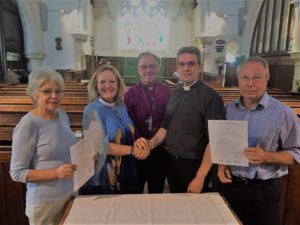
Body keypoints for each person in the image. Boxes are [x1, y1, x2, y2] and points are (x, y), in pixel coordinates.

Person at [217, 56, 300, 225]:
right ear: (238, 80)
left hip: (263, 190)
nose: (250, 84)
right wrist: (222, 163)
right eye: (245, 78)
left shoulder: (283, 113)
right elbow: (221, 145)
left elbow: (296, 153)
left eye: (256, 77)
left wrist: (266, 156)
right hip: (230, 186)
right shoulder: (228, 110)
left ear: (266, 79)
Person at [138, 46, 224, 193]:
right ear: (177, 67)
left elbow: (215, 141)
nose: (186, 68)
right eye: (182, 64)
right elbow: (165, 127)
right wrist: (150, 145)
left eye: (191, 64)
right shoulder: (174, 94)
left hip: (194, 165)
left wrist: (200, 176)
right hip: (171, 163)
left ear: (200, 67)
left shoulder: (211, 97)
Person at [10, 68, 77, 225]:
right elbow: (17, 173)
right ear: (35, 94)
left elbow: (63, 147)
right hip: (45, 203)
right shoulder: (28, 125)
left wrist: (85, 155)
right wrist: (54, 173)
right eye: (47, 91)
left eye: (58, 91)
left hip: (69, 194)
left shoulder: (62, 115)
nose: (54, 96)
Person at [81, 64, 150, 195]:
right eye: (103, 82)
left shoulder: (121, 107)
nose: (108, 86)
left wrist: (139, 143)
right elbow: (101, 146)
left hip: (128, 169)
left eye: (112, 81)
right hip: (106, 174)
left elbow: (128, 133)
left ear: (118, 84)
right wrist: (133, 150)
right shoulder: (91, 110)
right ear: (96, 85)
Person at [124, 52, 170, 193]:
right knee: (135, 192)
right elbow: (128, 122)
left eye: (152, 66)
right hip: (137, 151)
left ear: (158, 68)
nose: (148, 70)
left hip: (160, 152)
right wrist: (140, 142)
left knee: (156, 191)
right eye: (144, 66)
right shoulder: (130, 94)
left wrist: (153, 143)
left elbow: (168, 121)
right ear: (138, 69)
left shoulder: (167, 92)